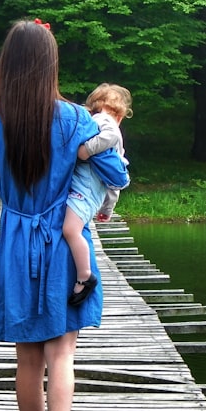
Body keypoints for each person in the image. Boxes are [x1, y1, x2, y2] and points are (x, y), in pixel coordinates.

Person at [0, 19, 129, 411]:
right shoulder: (76, 120)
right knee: (62, 354)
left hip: (17, 241)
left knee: (28, 359)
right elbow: (113, 170)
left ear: (7, 64)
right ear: (50, 66)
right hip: (64, 243)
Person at [63, 83, 132, 306]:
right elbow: (114, 184)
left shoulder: (101, 120)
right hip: (92, 194)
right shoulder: (115, 150)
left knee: (70, 230)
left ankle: (85, 275)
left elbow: (110, 135)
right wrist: (107, 208)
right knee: (72, 229)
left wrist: (85, 150)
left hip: (84, 191)